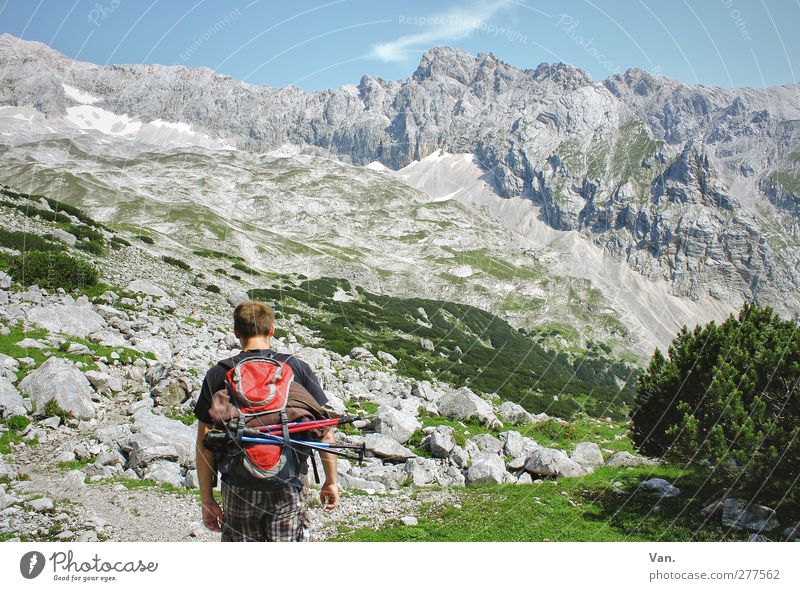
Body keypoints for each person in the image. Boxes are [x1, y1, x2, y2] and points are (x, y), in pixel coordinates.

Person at [193, 301, 339, 541]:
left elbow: (204, 443)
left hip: (238, 485)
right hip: (289, 484)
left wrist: (207, 499)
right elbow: (324, 431)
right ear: (272, 329)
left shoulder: (218, 374)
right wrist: (330, 481)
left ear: (236, 332)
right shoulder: (297, 368)